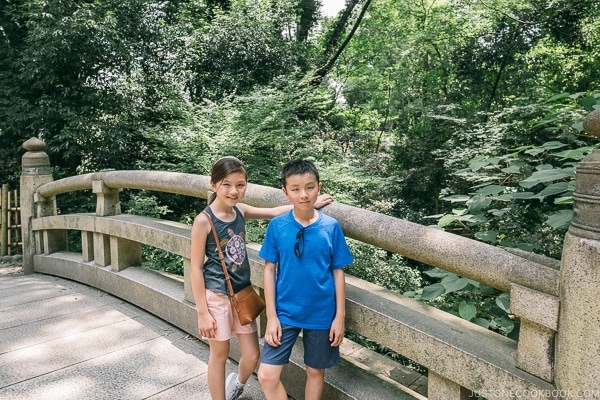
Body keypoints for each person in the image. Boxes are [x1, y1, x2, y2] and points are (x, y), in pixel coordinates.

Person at [190, 156, 333, 400]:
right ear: (213, 184)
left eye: (240, 184)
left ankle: (237, 383)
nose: (234, 191)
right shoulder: (204, 221)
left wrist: (311, 203)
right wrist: (202, 312)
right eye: (226, 184)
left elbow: (275, 211)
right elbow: (195, 268)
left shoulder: (240, 211)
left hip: (242, 294)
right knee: (220, 354)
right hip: (216, 296)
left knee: (253, 355)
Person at [257, 159, 354, 400]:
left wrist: (339, 316)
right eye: (296, 189)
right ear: (285, 192)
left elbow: (338, 271)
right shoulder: (278, 226)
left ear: (318, 187)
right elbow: (269, 270)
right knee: (267, 375)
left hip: (321, 312)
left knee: (315, 370)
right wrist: (271, 316)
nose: (304, 195)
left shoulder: (331, 227)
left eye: (310, 187)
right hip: (285, 311)